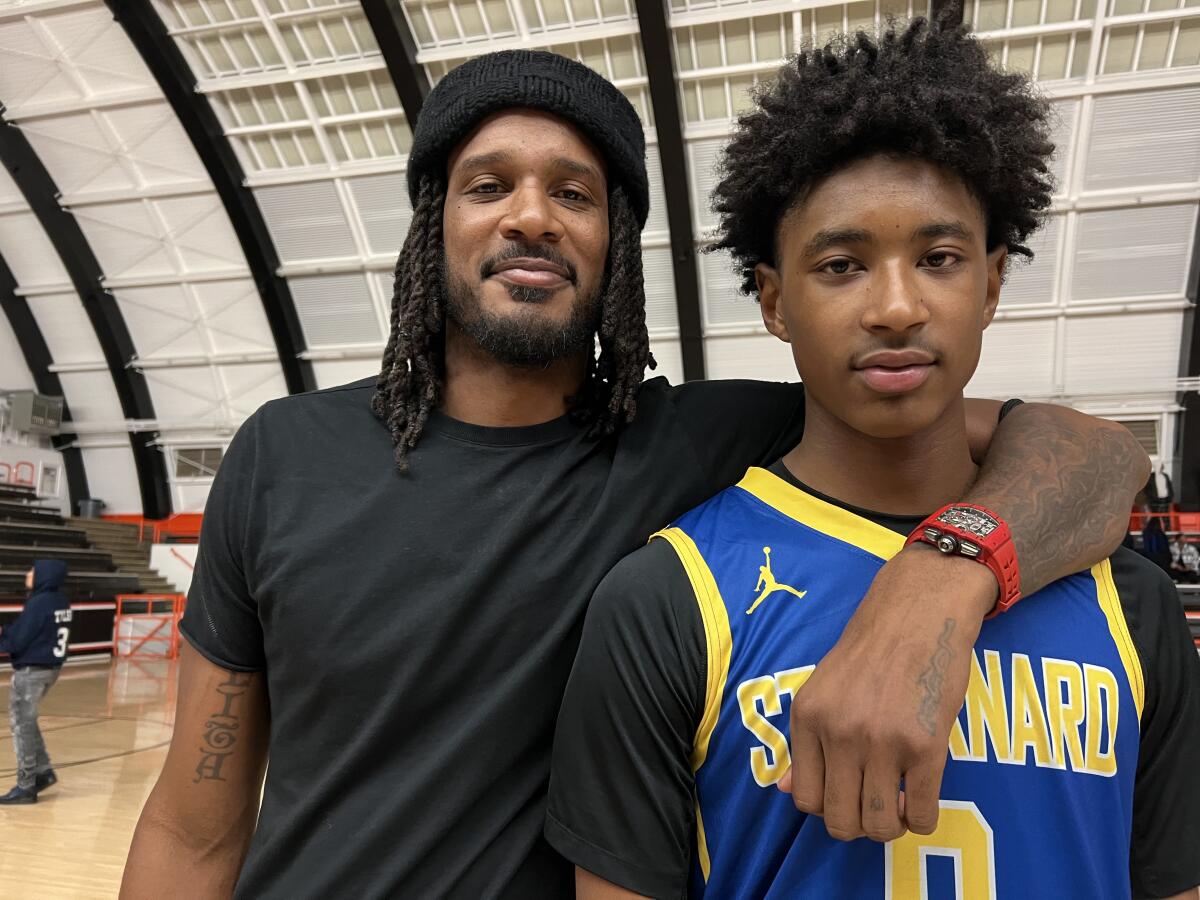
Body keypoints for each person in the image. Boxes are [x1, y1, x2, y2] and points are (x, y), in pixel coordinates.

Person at [120, 50, 1149, 898]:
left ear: (617, 247)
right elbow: (194, 824)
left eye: (574, 193)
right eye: (490, 185)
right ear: (436, 220)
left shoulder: (705, 442)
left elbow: (1098, 455)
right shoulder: (281, 455)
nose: (531, 215)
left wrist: (941, 578)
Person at [545, 20, 1200, 899]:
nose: (895, 306)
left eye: (938, 258)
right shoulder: (665, 601)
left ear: (993, 283)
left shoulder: (1133, 603)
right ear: (774, 301)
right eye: (843, 264)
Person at [0, 559, 71, 805]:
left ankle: (25, 785)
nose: (28, 574)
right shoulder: (60, 602)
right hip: (50, 669)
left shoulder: (39, 604)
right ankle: (43, 771)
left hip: (32, 671)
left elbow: (19, 639)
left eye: (32, 570)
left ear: (43, 575)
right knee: (27, 721)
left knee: (21, 725)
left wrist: (5, 637)